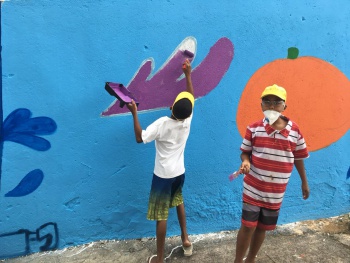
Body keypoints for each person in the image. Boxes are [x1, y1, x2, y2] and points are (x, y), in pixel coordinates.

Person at [127, 59, 194, 263]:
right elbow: (190, 97)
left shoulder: (162, 124)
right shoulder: (187, 121)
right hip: (179, 173)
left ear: (172, 106)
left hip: (162, 176)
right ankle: (185, 240)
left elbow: (140, 138)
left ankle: (160, 258)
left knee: (161, 216)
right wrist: (188, 75)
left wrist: (134, 113)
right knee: (179, 201)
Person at [234, 84, 310, 263]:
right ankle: (238, 260)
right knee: (247, 225)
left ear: (285, 106)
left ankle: (251, 259)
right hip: (253, 186)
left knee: (262, 227)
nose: (271, 106)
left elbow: (298, 157)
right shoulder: (253, 128)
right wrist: (245, 161)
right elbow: (245, 151)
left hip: (275, 192)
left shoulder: (295, 131)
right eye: (267, 102)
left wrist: (304, 182)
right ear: (261, 105)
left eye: (277, 102)